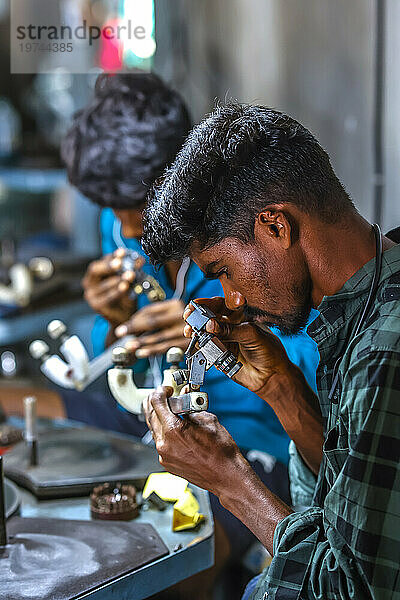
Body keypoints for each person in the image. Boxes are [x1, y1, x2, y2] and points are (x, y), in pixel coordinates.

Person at [61, 77, 320, 576]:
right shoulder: (120, 224)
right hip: (151, 419)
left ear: (180, 174)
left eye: (136, 207)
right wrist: (111, 324)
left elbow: (310, 360)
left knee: (177, 566)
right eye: (113, 209)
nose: (130, 228)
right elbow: (128, 359)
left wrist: (215, 333)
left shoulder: (243, 235)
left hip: (248, 435)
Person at [141, 102, 400, 600]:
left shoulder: (383, 349)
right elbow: (341, 512)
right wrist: (281, 387)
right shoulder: (362, 308)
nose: (232, 299)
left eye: (223, 270)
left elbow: (352, 590)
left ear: (275, 227)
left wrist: (231, 480)